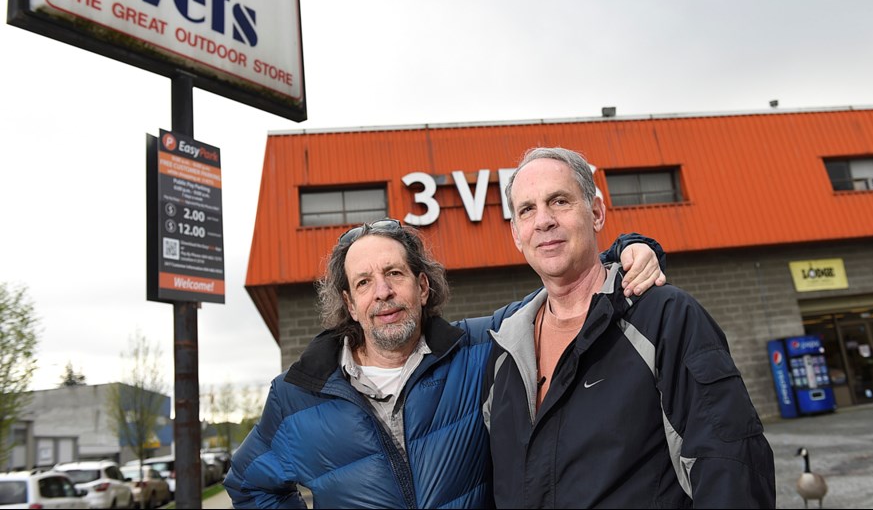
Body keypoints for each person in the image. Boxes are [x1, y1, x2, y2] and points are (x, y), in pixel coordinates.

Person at [224, 216, 666, 508]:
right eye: (364, 282)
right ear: (350, 303)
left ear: (422, 286)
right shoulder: (298, 394)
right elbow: (249, 484)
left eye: (394, 274)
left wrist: (629, 249)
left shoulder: (480, 349)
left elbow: (566, 290)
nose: (382, 292)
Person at [483, 147, 776, 508]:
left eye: (559, 201)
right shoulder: (504, 346)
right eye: (527, 209)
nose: (543, 220)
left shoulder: (664, 316)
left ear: (596, 213)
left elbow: (731, 467)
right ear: (516, 233)